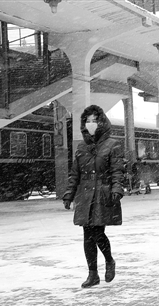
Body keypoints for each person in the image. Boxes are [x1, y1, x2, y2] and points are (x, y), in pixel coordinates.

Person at [62, 105, 125, 288]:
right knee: (87, 235)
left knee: (98, 232)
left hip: (102, 193)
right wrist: (69, 194)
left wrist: (117, 189)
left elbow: (117, 171)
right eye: (87, 121)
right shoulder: (81, 147)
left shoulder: (113, 145)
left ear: (101, 122)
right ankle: (92, 274)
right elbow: (75, 174)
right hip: (85, 194)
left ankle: (109, 261)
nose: (91, 124)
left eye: (94, 120)